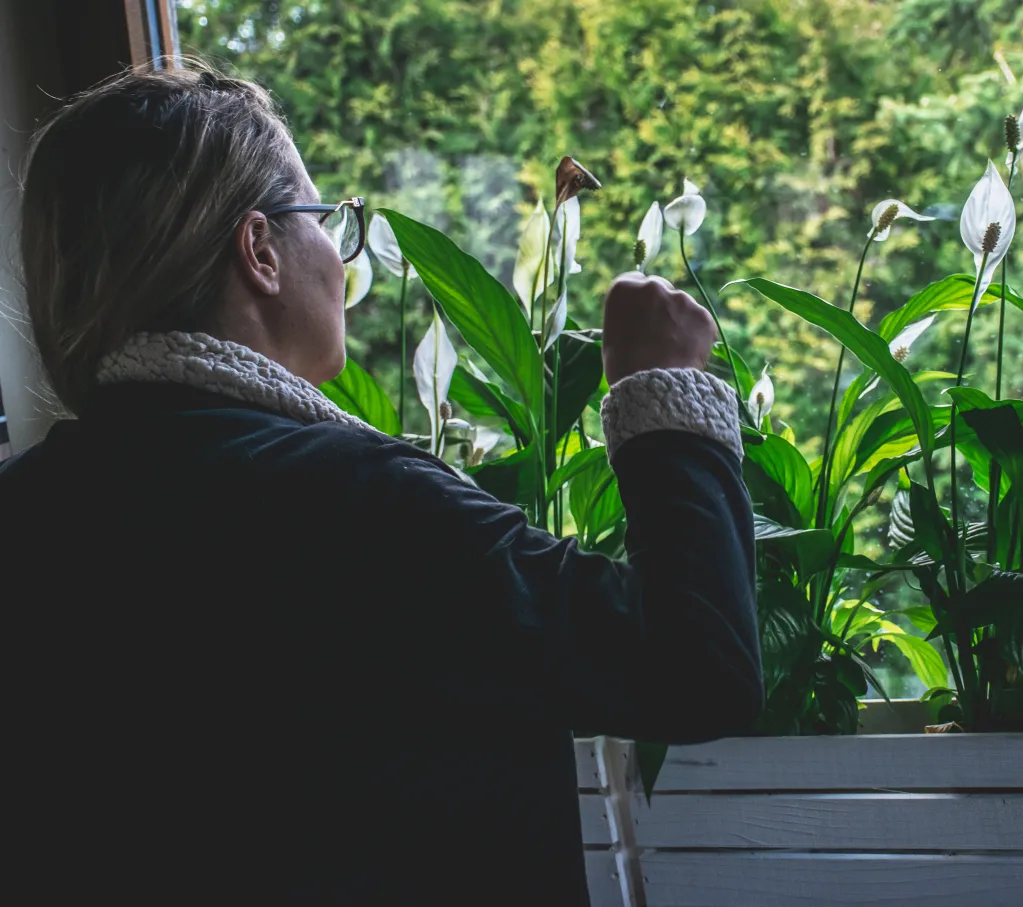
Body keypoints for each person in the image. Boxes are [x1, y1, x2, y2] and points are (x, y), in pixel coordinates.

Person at [1, 67, 761, 904]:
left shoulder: (26, 508)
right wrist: (663, 390)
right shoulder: (369, 504)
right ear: (259, 251)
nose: (340, 254)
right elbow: (696, 665)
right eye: (327, 220)